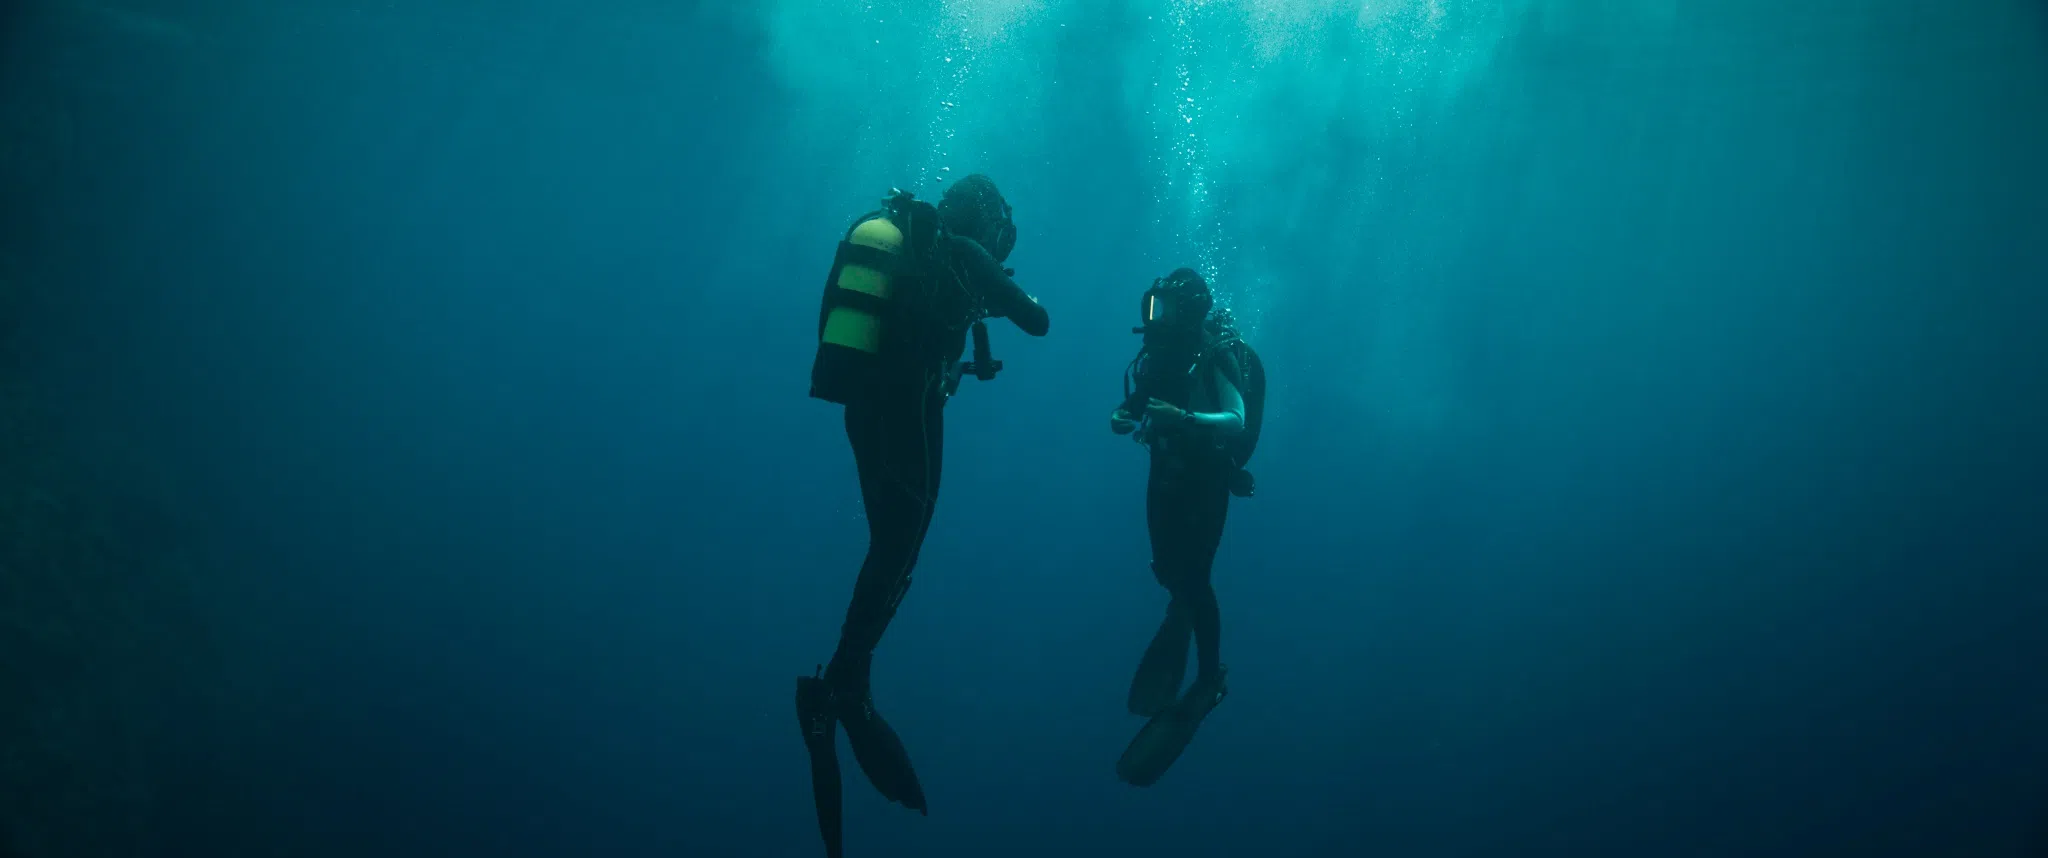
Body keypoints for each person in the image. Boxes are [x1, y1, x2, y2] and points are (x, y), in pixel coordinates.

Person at [796, 174, 1049, 858]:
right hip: (908, 411)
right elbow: (1037, 319)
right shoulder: (963, 254)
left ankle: (850, 675)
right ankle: (844, 684)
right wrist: (1002, 282)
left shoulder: (920, 248)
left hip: (864, 404)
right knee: (902, 544)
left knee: (888, 539)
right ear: (987, 222)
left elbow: (927, 328)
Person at [1107, 267, 1265, 787]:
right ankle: (1179, 609)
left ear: (1192, 313)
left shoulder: (1214, 356)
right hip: (1165, 473)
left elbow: (1237, 418)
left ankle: (1208, 678)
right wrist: (1122, 416)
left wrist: (1186, 419)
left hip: (1205, 481)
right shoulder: (1157, 356)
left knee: (1196, 579)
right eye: (1153, 308)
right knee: (1167, 567)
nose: (1157, 320)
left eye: (1168, 310)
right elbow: (1135, 402)